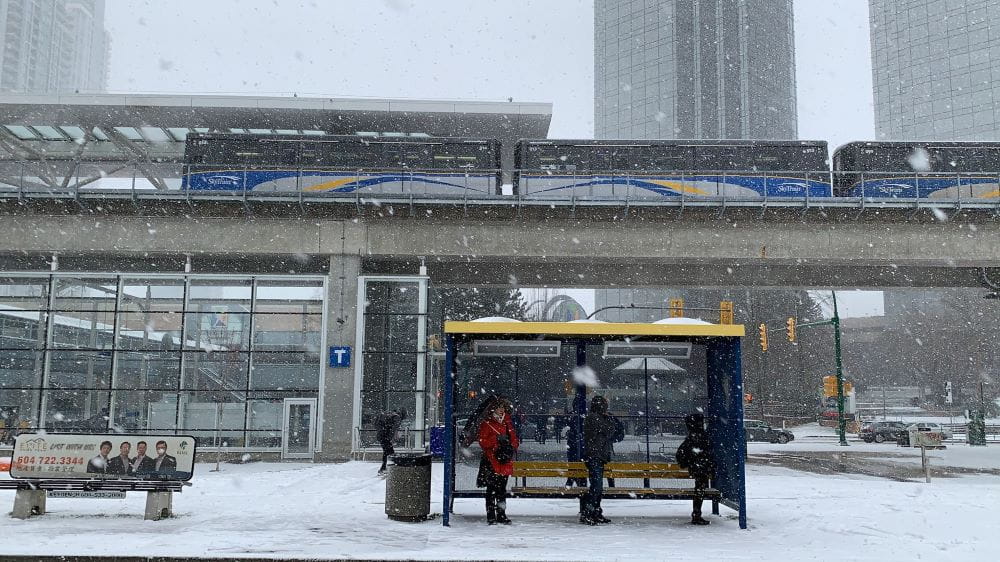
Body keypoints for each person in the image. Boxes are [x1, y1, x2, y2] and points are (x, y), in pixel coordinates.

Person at [477, 399, 519, 525]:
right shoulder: (487, 423)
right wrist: (496, 441)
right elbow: (482, 442)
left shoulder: (508, 422)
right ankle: (491, 515)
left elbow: (515, 440)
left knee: (502, 489)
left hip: (504, 461)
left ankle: (501, 514)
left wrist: (510, 445)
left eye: (503, 408)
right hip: (491, 460)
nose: (501, 410)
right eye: (499, 407)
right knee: (491, 489)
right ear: (493, 409)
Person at [581, 395, 619, 525]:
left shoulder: (595, 418)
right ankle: (589, 512)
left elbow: (610, 430)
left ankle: (595, 512)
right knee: (596, 487)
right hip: (594, 456)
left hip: (598, 456)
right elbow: (609, 430)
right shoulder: (593, 418)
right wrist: (608, 419)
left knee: (598, 487)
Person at [676, 412, 716, 525]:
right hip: (701, 468)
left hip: (698, 467)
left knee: (699, 490)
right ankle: (696, 515)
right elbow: (707, 452)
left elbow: (681, 454)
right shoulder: (699, 435)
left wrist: (688, 462)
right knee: (699, 491)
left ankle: (696, 514)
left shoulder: (693, 436)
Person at [376, 407, 407, 475]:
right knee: (389, 452)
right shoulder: (397, 418)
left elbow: (378, 424)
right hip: (385, 436)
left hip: (381, 434)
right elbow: (393, 429)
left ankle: (385, 468)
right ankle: (386, 468)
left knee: (387, 451)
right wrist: (390, 438)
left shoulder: (390, 414)